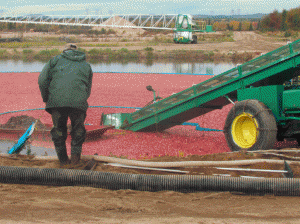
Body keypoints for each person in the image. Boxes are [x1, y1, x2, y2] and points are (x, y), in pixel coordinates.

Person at [38, 44, 93, 166]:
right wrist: (80, 99)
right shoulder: (86, 65)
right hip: (79, 103)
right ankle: (75, 161)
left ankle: (63, 161)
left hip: (57, 102)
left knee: (58, 130)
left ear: (64, 51)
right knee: (78, 130)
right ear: (77, 52)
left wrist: (46, 98)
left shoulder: (55, 60)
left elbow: (42, 80)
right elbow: (88, 88)